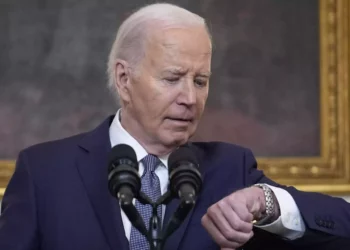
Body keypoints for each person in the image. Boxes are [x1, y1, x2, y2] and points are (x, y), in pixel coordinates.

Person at [0, 3, 349, 250]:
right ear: (124, 79)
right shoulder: (44, 171)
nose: (190, 98)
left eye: (200, 81)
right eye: (172, 78)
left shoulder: (231, 170)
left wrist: (266, 202)